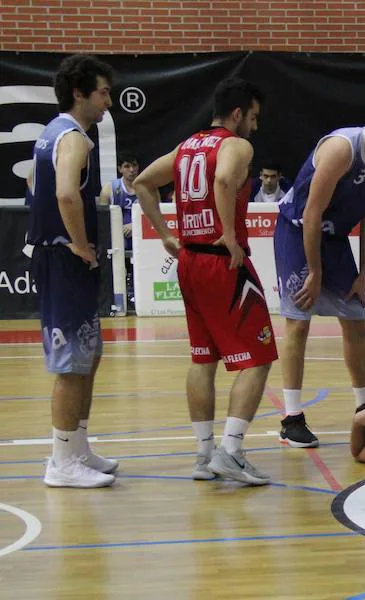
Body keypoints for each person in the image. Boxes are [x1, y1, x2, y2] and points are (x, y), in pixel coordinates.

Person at [133, 77, 277, 485]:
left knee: (203, 358)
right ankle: (231, 451)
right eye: (252, 117)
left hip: (189, 261)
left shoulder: (187, 147)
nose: (254, 126)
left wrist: (165, 232)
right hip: (221, 263)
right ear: (237, 114)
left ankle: (203, 454)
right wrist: (230, 235)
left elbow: (142, 182)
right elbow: (225, 180)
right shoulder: (236, 145)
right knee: (260, 356)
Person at [275, 108, 365, 448]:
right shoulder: (342, 149)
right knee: (298, 321)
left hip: (335, 238)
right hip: (298, 231)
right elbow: (311, 214)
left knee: (355, 319)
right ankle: (291, 418)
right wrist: (315, 271)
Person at [30, 54, 117, 488]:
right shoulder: (76, 139)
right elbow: (66, 195)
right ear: (79, 92)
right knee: (71, 364)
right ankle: (61, 462)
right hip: (65, 261)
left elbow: (34, 184)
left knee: (90, 354)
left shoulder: (51, 133)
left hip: (59, 258)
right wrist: (81, 246)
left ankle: (77, 446)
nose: (108, 102)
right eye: (102, 92)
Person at [98, 151, 140, 305]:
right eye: (127, 166)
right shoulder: (109, 189)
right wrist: (118, 230)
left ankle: (137, 288)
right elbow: (103, 219)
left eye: (134, 165)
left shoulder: (147, 185)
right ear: (120, 169)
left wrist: (135, 225)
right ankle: (121, 293)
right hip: (118, 235)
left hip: (141, 234)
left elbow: (155, 213)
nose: (131, 170)